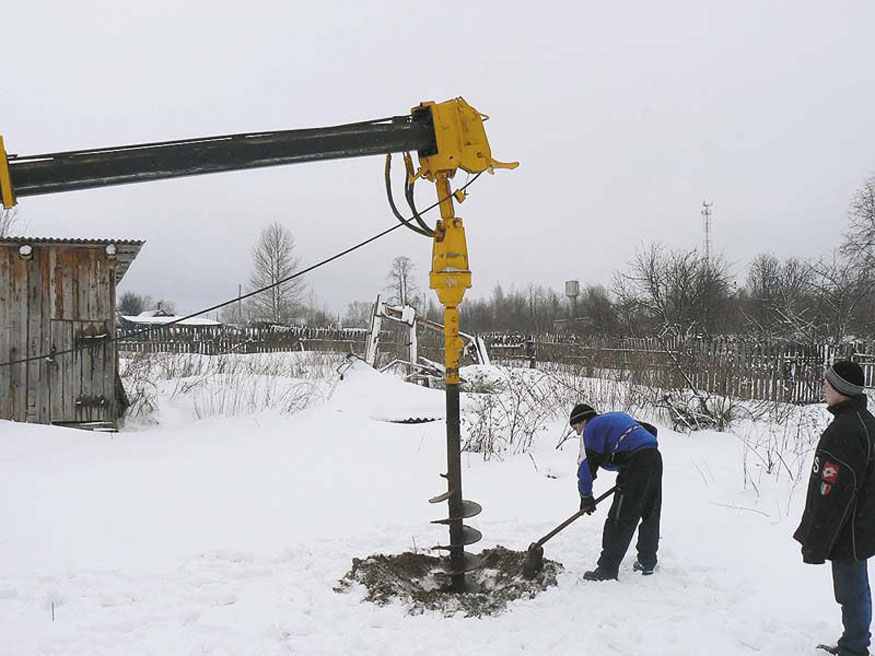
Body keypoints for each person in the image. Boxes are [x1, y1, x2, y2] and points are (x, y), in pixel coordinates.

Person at [794, 360, 875, 656]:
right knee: (854, 589)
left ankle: (855, 648)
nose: (823, 387)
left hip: (848, 528)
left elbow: (835, 492)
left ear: (841, 389)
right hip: (858, 524)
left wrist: (818, 538)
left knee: (851, 591)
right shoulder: (862, 422)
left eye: (828, 383)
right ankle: (853, 642)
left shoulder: (847, 430)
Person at [570, 402, 662, 581]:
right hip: (654, 458)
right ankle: (647, 560)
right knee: (650, 511)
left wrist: (586, 496)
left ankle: (607, 569)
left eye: (576, 427)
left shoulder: (591, 428)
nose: (577, 433)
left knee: (620, 517)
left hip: (636, 463)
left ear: (583, 421)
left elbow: (586, 466)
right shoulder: (617, 417)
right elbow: (650, 429)